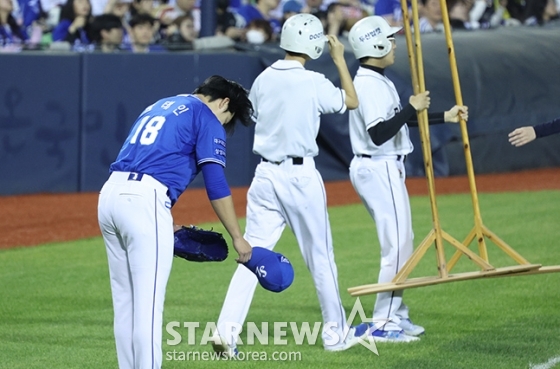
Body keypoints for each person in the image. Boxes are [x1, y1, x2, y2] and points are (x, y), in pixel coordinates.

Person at [212, 13, 370, 356]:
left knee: (251, 254)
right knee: (320, 257)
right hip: (299, 176)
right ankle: (335, 334)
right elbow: (352, 101)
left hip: (265, 176)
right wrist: (341, 60)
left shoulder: (264, 79)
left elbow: (253, 117)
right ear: (312, 44)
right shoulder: (313, 80)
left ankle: (226, 331)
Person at [97, 75, 254, 369]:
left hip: (110, 196)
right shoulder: (207, 116)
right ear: (224, 102)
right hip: (144, 200)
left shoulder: (160, 105)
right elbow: (216, 183)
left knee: (126, 305)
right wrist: (237, 235)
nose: (222, 124)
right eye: (227, 117)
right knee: (148, 308)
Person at [347, 16, 468, 342]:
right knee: (397, 248)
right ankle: (383, 324)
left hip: (381, 167)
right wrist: (410, 108)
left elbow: (398, 123)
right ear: (375, 44)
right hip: (378, 164)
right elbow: (379, 133)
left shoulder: (376, 79)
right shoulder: (369, 84)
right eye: (390, 38)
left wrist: (444, 116)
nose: (395, 42)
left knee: (401, 243)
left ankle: (394, 315)